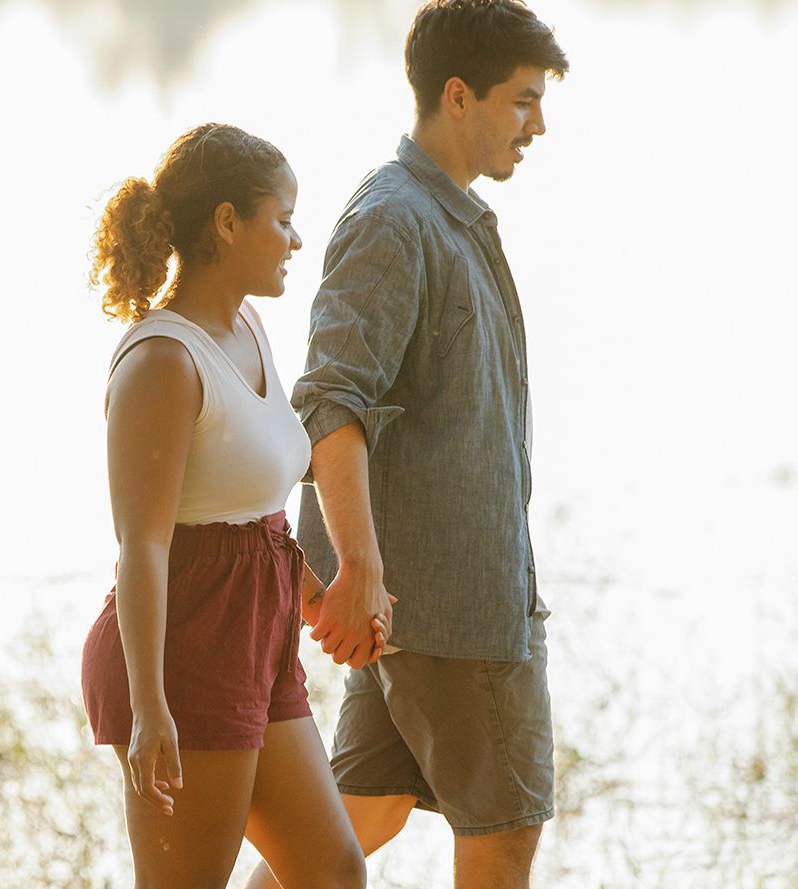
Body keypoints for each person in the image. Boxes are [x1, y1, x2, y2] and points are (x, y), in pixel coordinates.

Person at [246, 2, 570, 888]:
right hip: (451, 617)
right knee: (505, 831)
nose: (538, 124)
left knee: (356, 820)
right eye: (522, 101)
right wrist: (358, 570)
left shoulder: (451, 213)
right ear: (457, 96)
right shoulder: (394, 220)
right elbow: (330, 405)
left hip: (419, 609)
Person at [79, 123, 386, 889]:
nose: (295, 238)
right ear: (226, 221)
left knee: (332, 871)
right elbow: (143, 546)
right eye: (281, 219)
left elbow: (256, 510)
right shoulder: (161, 359)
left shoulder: (246, 327)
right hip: (183, 647)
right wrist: (151, 709)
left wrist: (317, 597)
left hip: (256, 636)